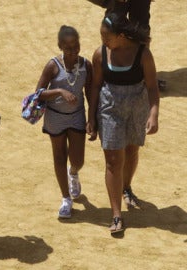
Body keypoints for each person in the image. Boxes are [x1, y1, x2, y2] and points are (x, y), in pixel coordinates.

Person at [87, 13, 159, 234]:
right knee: (112, 160)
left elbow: (152, 86)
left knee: (131, 151)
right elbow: (96, 86)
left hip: (137, 105)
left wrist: (153, 113)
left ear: (120, 35)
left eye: (106, 36)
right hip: (110, 108)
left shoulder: (143, 54)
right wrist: (91, 116)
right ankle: (116, 214)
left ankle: (126, 187)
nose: (103, 40)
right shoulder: (100, 54)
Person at [36, 26, 92, 219]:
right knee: (59, 157)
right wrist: (60, 91)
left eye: (76, 46)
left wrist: (92, 119)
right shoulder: (52, 66)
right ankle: (66, 198)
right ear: (60, 46)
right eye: (68, 47)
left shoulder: (86, 65)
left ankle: (73, 173)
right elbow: (39, 93)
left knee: (78, 159)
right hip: (55, 117)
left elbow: (91, 94)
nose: (73, 50)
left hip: (77, 116)